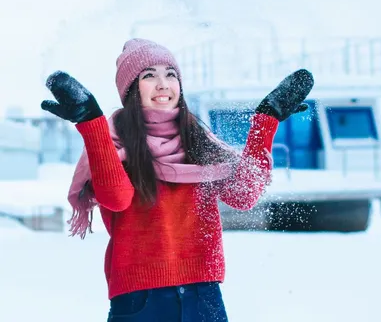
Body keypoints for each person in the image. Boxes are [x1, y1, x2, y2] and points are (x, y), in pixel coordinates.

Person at [41, 38, 314, 321]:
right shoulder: (113, 141)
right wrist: (91, 122)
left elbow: (243, 195)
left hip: (203, 294)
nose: (163, 84)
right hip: (140, 299)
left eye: (170, 74)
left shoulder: (199, 140)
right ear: (131, 89)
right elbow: (117, 199)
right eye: (149, 76)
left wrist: (266, 120)